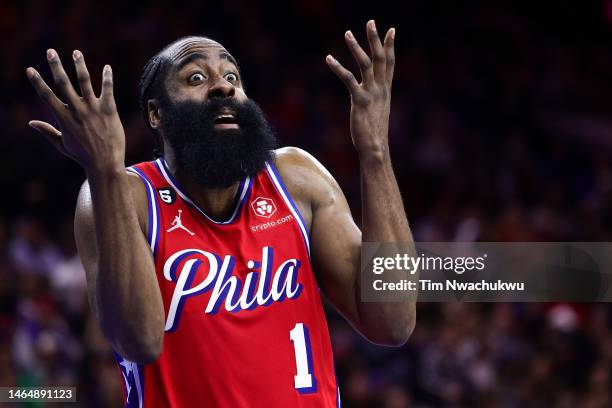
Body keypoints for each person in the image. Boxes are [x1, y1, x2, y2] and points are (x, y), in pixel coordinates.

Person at [26, 19, 415, 407]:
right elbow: (139, 341)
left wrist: (375, 151)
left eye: (233, 75)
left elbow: (393, 322)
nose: (223, 85)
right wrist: (105, 171)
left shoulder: (297, 179)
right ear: (156, 114)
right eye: (196, 77)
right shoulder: (124, 196)